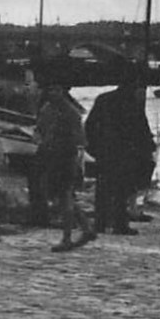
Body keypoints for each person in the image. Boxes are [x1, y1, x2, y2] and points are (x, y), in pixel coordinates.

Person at [84, 73, 156, 236]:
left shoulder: (102, 99)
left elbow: (90, 125)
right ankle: (119, 224)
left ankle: (100, 223)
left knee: (102, 188)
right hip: (126, 154)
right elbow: (141, 130)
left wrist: (93, 148)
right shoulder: (132, 104)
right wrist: (147, 150)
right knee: (123, 189)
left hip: (105, 151)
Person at [36, 84, 93, 252]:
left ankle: (67, 237)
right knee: (60, 196)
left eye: (57, 89)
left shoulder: (71, 113)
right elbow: (39, 129)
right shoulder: (47, 109)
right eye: (51, 89)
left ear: (63, 92)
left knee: (65, 196)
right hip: (50, 156)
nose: (53, 92)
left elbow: (81, 140)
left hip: (65, 158)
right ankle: (86, 228)